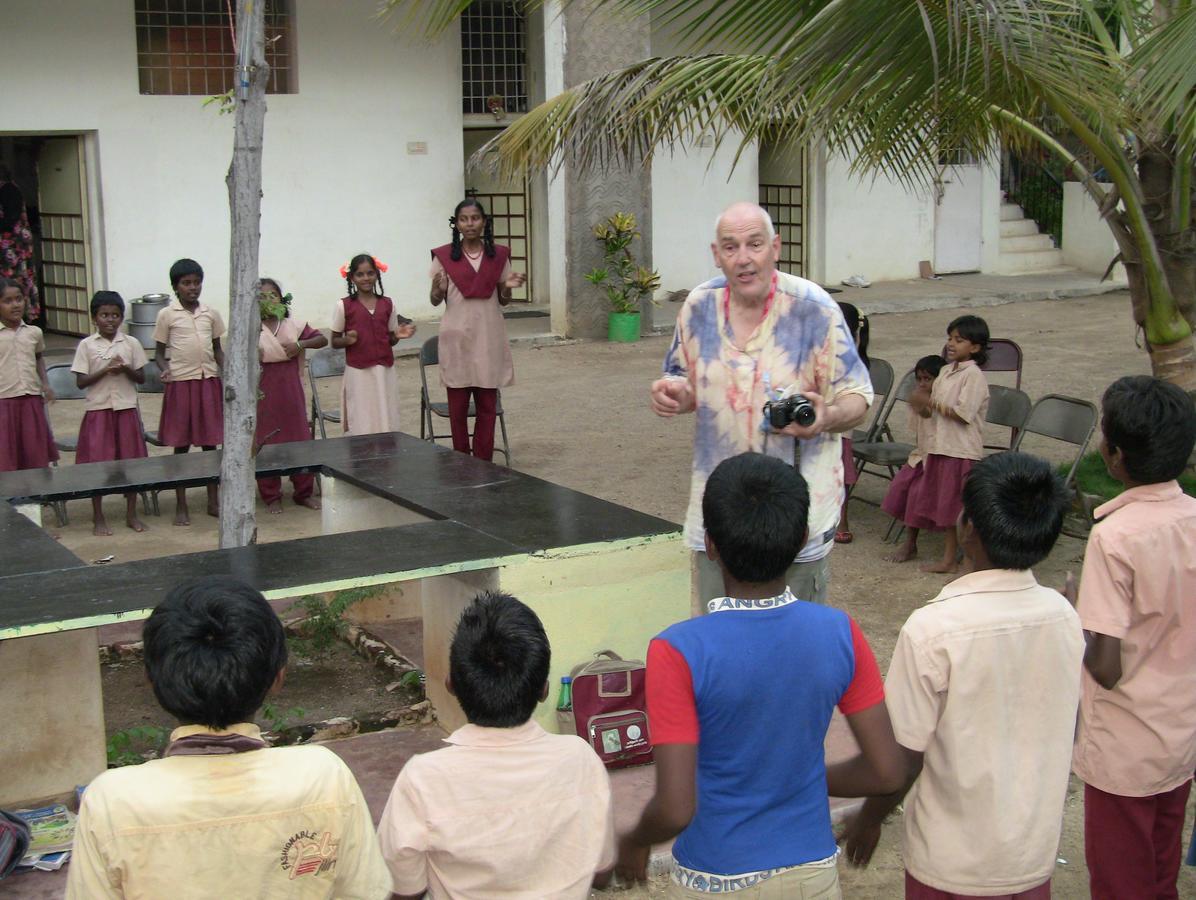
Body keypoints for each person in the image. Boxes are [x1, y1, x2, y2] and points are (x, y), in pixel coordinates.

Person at [617, 452, 904, 898]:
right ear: (802, 538)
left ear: (710, 544)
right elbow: (887, 772)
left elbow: (675, 809)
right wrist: (799, 774)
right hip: (812, 872)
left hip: (716, 875)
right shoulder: (839, 632)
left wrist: (633, 839)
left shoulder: (677, 650)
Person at [841, 452, 1084, 899]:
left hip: (952, 864)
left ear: (967, 526)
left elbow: (901, 760)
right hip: (1030, 856)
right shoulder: (1066, 618)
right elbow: (1070, 724)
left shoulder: (934, 629)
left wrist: (869, 818)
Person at [65, 575, 393, 899]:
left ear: (151, 681)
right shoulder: (324, 775)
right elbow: (366, 892)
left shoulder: (110, 801)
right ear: (278, 677)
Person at [652, 202, 872, 609]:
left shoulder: (814, 309)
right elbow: (680, 375)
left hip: (795, 519)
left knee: (795, 650)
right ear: (716, 254)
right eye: (730, 247)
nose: (744, 259)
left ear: (775, 247)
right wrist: (677, 393)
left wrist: (826, 416)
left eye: (754, 244)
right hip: (719, 517)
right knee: (721, 641)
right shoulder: (699, 305)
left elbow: (859, 397)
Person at [377, 591, 615, 898]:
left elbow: (404, 889)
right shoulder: (580, 758)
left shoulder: (423, 778)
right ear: (543, 690)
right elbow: (602, 873)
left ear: (451, 684)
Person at [1070, 376, 1196, 900]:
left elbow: (1106, 666)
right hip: (1180, 729)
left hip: (1124, 743)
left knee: (1121, 878)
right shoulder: (1191, 517)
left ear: (1114, 455)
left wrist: (1078, 609)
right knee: (1160, 864)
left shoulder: (1115, 535)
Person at [883, 316, 990, 573]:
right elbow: (934, 414)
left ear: (974, 347)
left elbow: (963, 413)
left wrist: (930, 403)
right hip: (939, 448)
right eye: (950, 338)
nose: (951, 344)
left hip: (960, 450)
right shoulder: (945, 372)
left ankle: (968, 560)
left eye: (959, 340)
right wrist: (921, 406)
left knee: (960, 509)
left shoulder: (973, 376)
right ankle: (948, 559)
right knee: (946, 508)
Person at [429, 198, 525, 462]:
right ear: (456, 223)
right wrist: (437, 288)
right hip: (456, 335)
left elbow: (503, 299)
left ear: (484, 221)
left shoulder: (499, 255)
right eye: (463, 219)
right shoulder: (445, 256)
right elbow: (435, 300)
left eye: (474, 218)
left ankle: (483, 464)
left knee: (486, 404)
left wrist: (508, 286)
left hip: (488, 334)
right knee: (457, 406)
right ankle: (461, 462)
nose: (469, 223)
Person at [71, 290, 149, 535]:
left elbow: (141, 378)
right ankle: (98, 517)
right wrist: (106, 369)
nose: (110, 320)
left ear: (122, 318)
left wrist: (124, 367)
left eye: (115, 315)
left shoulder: (131, 343)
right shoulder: (87, 345)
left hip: (125, 410)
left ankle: (131, 514)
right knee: (98, 464)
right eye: (104, 315)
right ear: (95, 318)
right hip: (99, 411)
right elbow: (81, 382)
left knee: (131, 463)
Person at [153, 258, 223, 526]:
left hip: (208, 382)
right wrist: (165, 369)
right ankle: (181, 505)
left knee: (210, 445)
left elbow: (217, 349)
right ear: (175, 287)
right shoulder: (166, 315)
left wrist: (227, 373)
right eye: (186, 283)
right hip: (181, 384)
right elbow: (159, 354)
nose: (193, 288)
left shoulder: (210, 313)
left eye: (196, 282)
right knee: (181, 446)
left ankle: (213, 501)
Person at [256, 277, 327, 513]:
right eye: (262, 297)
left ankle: (303, 491)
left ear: (281, 299)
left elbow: (321, 339)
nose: (268, 300)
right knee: (267, 440)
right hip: (264, 390)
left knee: (298, 436)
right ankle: (271, 495)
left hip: (290, 389)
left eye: (273, 295)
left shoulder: (293, 325)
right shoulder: (251, 329)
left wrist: (300, 345)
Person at [330, 254, 416, 436]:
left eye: (370, 273)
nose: (366, 278)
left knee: (386, 413)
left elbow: (390, 338)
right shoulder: (343, 306)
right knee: (362, 417)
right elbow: (334, 341)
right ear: (352, 277)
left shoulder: (388, 304)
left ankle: (387, 455)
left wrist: (398, 336)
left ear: (377, 274)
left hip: (384, 371)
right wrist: (346, 340)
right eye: (360, 274)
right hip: (359, 372)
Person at [0, 276, 57, 472]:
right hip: (4, 401)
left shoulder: (34, 332)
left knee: (33, 450)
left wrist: (45, 384)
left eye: (19, 299)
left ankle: (34, 497)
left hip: (31, 399)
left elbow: (38, 358)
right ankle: (9, 499)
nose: (15, 305)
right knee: (6, 453)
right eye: (7, 301)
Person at [835, 300, 870, 543]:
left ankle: (842, 518)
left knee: (841, 475)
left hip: (839, 428)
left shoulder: (853, 360)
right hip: (820, 424)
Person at [0, 164, 39, 322]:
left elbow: (10, 220)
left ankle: (20, 318)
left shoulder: (8, 190)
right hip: (7, 245)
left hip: (13, 247)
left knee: (14, 283)